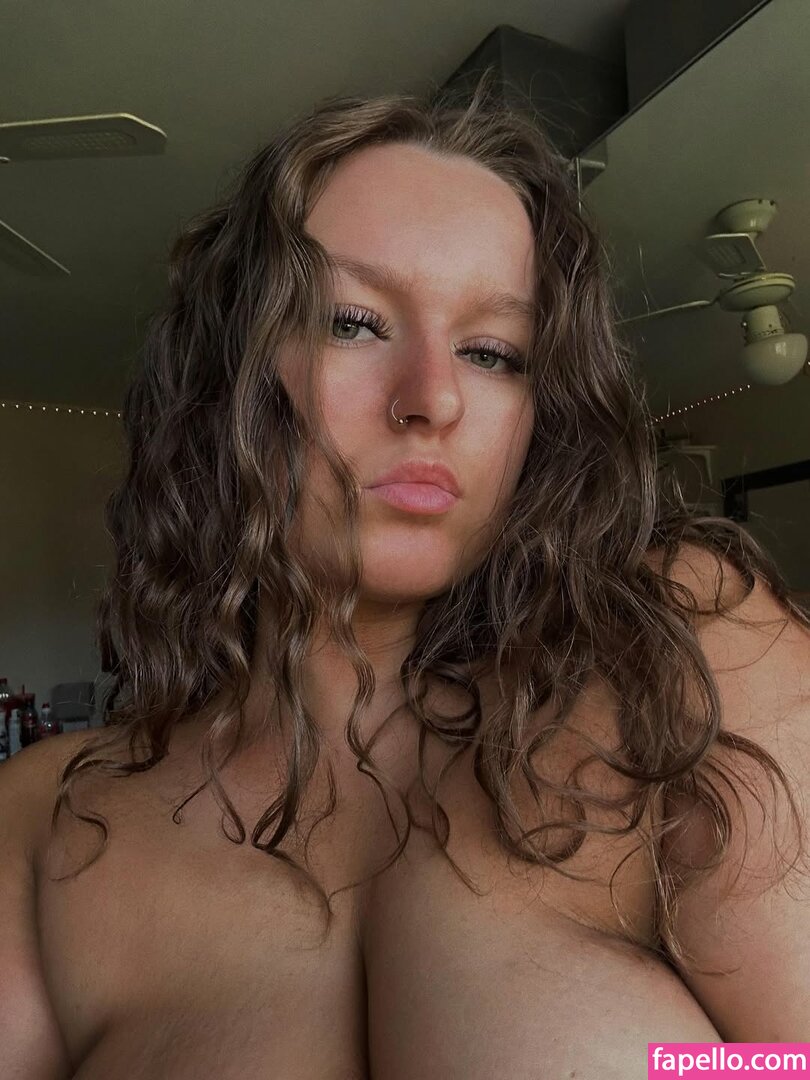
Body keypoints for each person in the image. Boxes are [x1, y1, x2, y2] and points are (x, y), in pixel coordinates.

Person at [2, 71, 809, 1079]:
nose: (434, 398)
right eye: (352, 322)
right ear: (226, 380)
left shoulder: (682, 661)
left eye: (494, 351)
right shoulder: (45, 823)